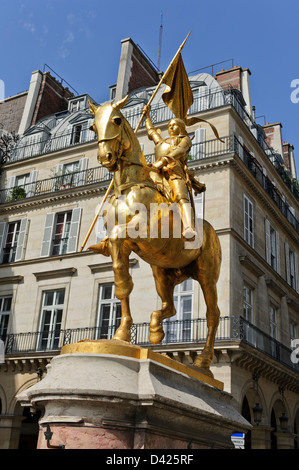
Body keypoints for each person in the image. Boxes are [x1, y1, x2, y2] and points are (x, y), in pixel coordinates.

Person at [143, 105, 205, 239]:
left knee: (180, 196)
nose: (170, 127)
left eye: (174, 125)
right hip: (156, 173)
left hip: (174, 173)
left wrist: (160, 162)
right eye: (169, 125)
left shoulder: (185, 139)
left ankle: (189, 226)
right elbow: (152, 132)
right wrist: (147, 117)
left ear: (181, 128)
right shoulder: (162, 142)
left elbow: (179, 151)